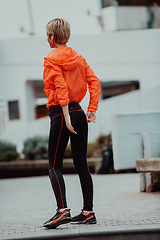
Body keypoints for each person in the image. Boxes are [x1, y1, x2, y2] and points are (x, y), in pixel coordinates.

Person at [43, 18, 101, 229]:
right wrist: (91, 109)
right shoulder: (78, 57)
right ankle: (88, 212)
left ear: (53, 36)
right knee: (81, 164)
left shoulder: (51, 58)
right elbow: (94, 82)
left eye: (47, 35)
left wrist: (65, 115)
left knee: (53, 166)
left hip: (62, 113)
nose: (47, 38)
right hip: (78, 111)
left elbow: (59, 86)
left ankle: (62, 210)